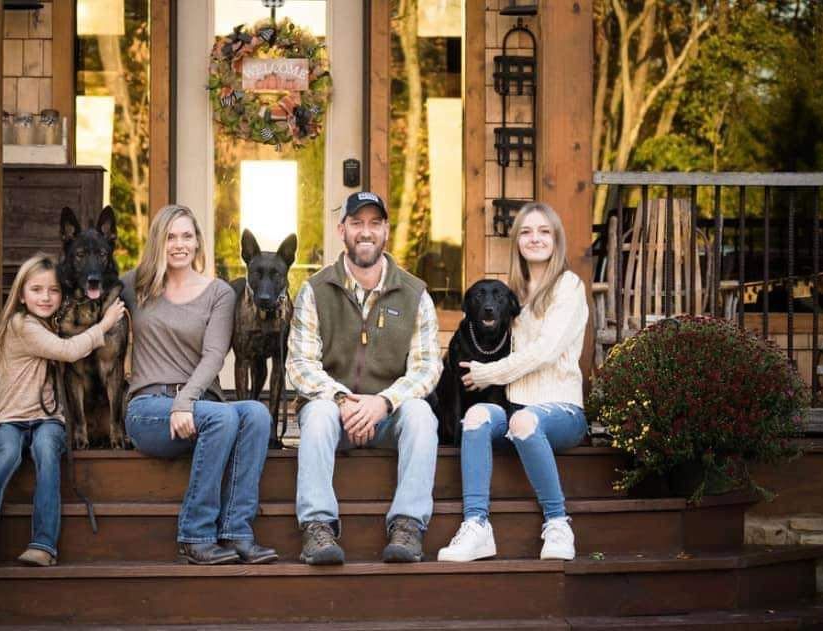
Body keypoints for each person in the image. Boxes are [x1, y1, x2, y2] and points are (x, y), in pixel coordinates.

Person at [288, 191, 442, 565]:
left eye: (375, 223)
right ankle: (317, 528)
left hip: (388, 416)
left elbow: (427, 367)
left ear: (386, 230)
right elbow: (301, 364)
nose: (366, 232)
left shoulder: (415, 293)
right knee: (319, 414)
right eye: (357, 223)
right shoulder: (315, 290)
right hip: (333, 416)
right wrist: (343, 400)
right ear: (342, 230)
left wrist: (383, 402)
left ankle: (407, 526)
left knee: (422, 415)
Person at [122, 204, 277, 565]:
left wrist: (185, 402)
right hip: (149, 410)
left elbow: (214, 356)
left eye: (187, 236)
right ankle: (196, 534)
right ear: (158, 242)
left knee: (256, 413)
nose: (179, 244)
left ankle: (237, 531)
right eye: (171, 236)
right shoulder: (135, 285)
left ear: (198, 242)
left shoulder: (219, 292)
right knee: (221, 418)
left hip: (195, 406)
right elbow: (91, 307)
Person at [437, 202, 589, 563]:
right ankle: (476, 527)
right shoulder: (512, 294)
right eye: (526, 231)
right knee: (474, 417)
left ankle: (557, 522)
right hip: (517, 406)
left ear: (557, 239)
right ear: (517, 241)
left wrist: (487, 373)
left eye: (543, 231)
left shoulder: (568, 286)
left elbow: (545, 352)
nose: (534, 238)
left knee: (523, 420)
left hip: (561, 408)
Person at [0, 253, 126, 568]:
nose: (45, 297)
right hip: (11, 419)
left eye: (53, 291)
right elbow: (67, 351)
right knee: (7, 455)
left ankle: (43, 545)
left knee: (48, 454)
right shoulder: (21, 324)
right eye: (36, 290)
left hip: (47, 420)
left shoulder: (53, 323)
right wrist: (105, 324)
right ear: (21, 295)